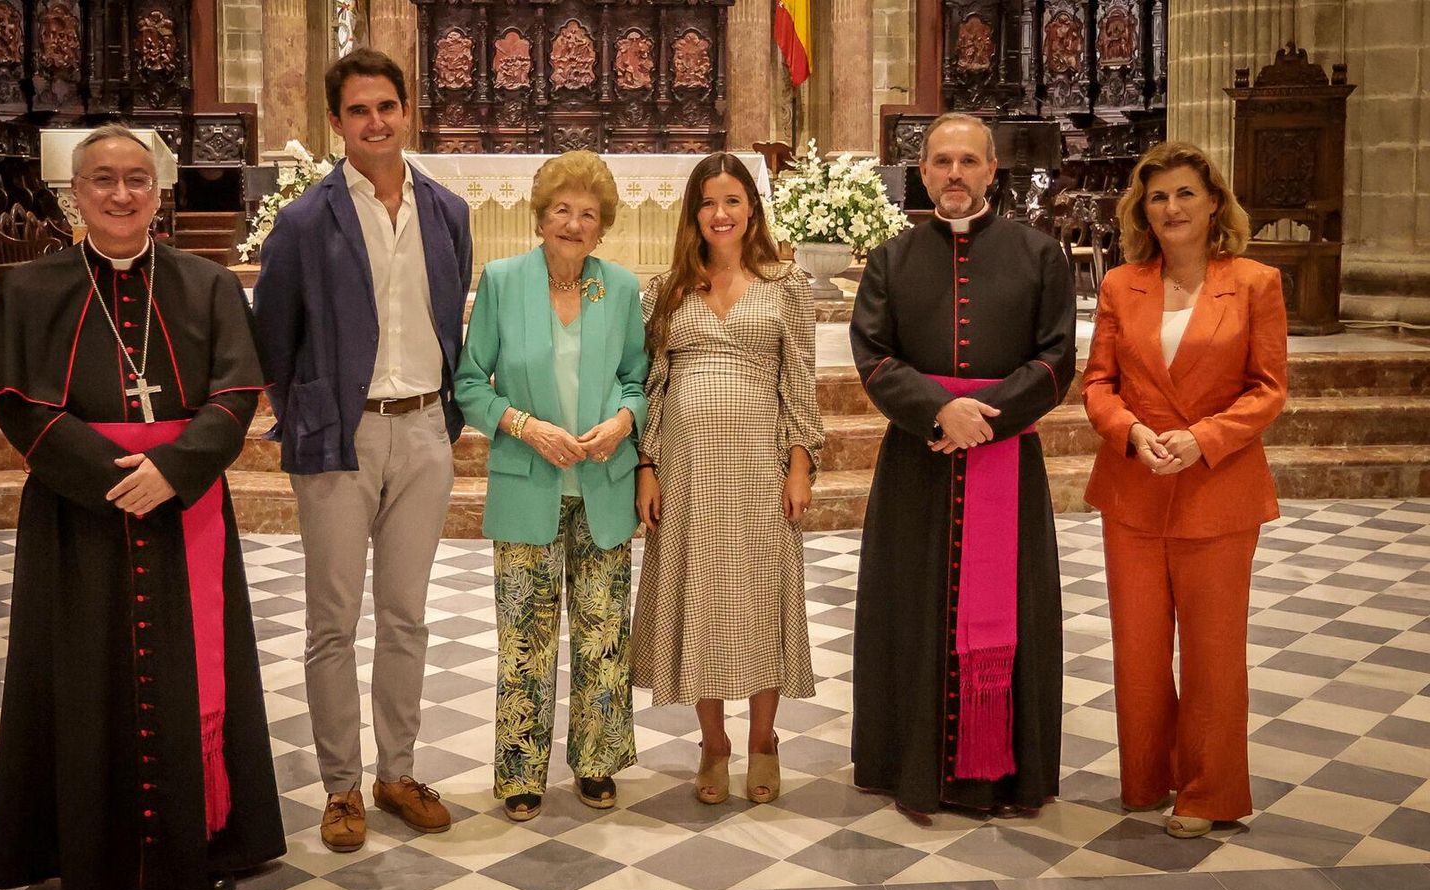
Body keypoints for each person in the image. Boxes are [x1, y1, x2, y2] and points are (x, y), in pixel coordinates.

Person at [0, 124, 284, 890]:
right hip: (78, 515)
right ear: (75, 193)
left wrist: (173, 469)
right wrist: (114, 479)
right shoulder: (29, 290)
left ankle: (198, 844)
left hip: (184, 504)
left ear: (158, 192)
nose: (120, 194)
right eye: (102, 179)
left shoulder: (207, 285)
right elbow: (16, 404)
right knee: (79, 675)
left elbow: (237, 393)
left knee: (191, 676)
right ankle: (85, 848)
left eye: (137, 179)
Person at [252, 48, 472, 848]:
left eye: (386, 106)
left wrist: (440, 414)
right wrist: (311, 412)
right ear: (336, 122)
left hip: (424, 428)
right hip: (341, 434)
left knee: (407, 614)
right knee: (333, 621)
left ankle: (396, 773)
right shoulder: (305, 221)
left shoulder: (447, 211)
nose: (375, 122)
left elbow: (449, 313)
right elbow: (272, 337)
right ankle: (341, 787)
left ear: (406, 111)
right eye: (358, 110)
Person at [849, 113, 1075, 823]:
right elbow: (872, 356)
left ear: (991, 170)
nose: (954, 173)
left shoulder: (1040, 255)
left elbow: (1057, 358)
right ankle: (905, 765)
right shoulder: (890, 260)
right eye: (941, 161)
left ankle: (1003, 776)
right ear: (922, 172)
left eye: (968, 161)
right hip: (917, 461)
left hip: (1006, 458)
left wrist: (986, 418)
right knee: (910, 609)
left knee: (1014, 613)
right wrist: (938, 411)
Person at [1082, 141, 1287, 839]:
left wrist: (1203, 439)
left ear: (1214, 204)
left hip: (1217, 488)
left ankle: (1209, 790)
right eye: (1158, 196)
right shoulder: (1121, 284)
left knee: (1212, 652)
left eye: (1185, 194)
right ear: (1143, 210)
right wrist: (1130, 432)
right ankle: (1145, 777)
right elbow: (1098, 383)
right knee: (1138, 649)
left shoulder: (1255, 283)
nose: (1171, 207)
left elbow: (1268, 389)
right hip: (1133, 487)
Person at [454, 151, 647, 822]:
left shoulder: (619, 288)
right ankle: (520, 772)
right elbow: (470, 382)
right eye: (562, 210)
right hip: (526, 483)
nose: (574, 223)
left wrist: (624, 421)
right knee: (525, 637)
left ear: (603, 227)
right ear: (540, 218)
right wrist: (525, 426)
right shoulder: (503, 282)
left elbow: (637, 378)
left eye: (588, 214)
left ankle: (596, 762)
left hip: (603, 484)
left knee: (603, 635)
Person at [630, 152, 823, 805]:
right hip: (687, 468)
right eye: (708, 202)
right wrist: (647, 466)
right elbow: (652, 385)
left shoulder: (785, 284)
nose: (720, 214)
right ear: (693, 213)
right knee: (702, 599)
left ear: (752, 209)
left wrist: (800, 463)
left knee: (761, 596)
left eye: (732, 200)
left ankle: (764, 740)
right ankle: (714, 744)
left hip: (759, 466)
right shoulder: (666, 290)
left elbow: (799, 379)